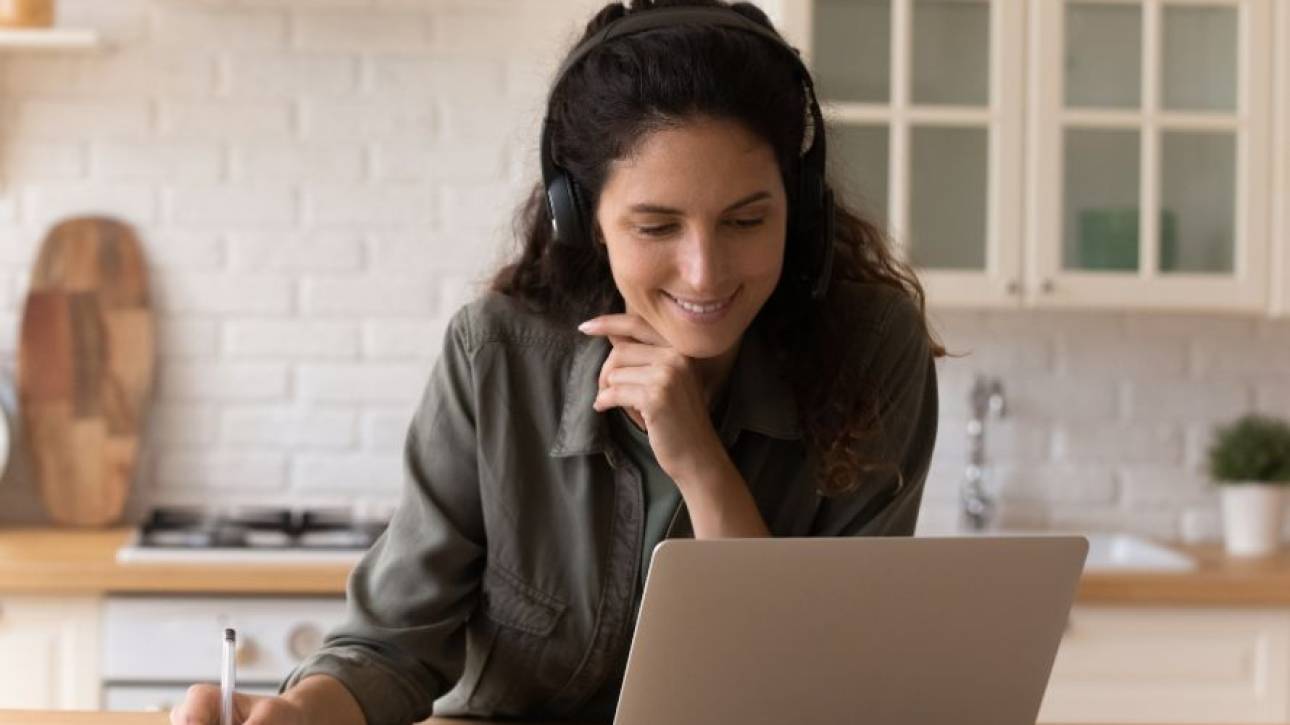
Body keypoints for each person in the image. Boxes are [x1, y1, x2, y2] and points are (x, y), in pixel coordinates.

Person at [170, 1, 943, 723]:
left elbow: (815, 688)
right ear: (583, 219)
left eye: (746, 220)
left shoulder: (872, 352)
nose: (704, 272)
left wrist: (700, 463)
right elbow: (392, 645)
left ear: (798, 205)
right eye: (656, 227)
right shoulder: (496, 356)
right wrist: (299, 713)